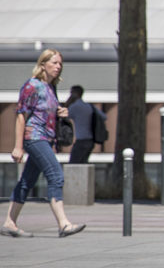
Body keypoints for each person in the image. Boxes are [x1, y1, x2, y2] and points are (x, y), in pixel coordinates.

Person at [4, 49, 86, 238]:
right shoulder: (32, 85)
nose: (58, 67)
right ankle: (64, 224)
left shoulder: (50, 87)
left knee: (27, 181)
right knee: (55, 175)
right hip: (34, 137)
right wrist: (18, 146)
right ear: (43, 65)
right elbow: (20, 116)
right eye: (54, 63)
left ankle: (9, 223)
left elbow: (47, 111)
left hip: (46, 139)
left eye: (60, 64)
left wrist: (62, 112)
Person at [65, 85, 106, 165]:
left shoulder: (74, 107)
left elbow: (64, 115)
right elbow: (104, 117)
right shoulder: (89, 106)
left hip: (81, 140)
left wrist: (68, 102)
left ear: (75, 93)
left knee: (73, 164)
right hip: (90, 141)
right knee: (84, 163)